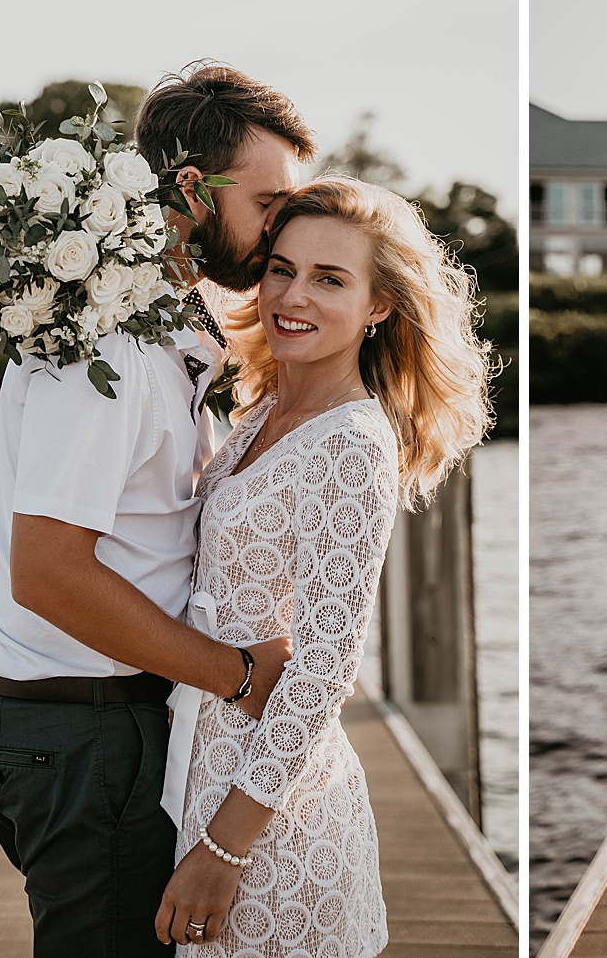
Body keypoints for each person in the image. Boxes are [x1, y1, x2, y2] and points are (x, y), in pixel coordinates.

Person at [0, 63, 312, 956]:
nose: (285, 228)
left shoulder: (161, 322)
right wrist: (236, 674)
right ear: (193, 189)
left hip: (85, 722)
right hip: (80, 733)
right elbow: (46, 572)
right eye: (270, 204)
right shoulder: (105, 349)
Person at [151, 177, 493, 953]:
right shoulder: (265, 411)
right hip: (202, 770)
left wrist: (224, 848)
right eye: (281, 267)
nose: (291, 294)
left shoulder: (350, 444)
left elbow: (324, 670)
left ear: (379, 305)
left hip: (269, 823)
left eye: (329, 278)